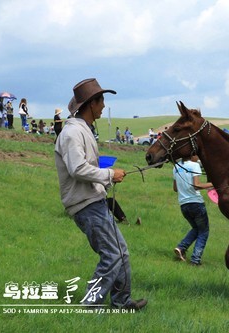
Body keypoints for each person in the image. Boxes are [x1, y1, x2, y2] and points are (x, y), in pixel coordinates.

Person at [54, 78, 147, 310]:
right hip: (85, 205)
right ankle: (90, 304)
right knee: (112, 255)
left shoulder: (83, 130)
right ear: (90, 104)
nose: (104, 106)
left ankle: (121, 302)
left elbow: (84, 166)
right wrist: (109, 175)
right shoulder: (71, 133)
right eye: (101, 100)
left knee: (121, 253)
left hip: (94, 201)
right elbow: (77, 169)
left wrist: (106, 176)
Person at [173, 155, 213, 266]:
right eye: (197, 154)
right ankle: (195, 260)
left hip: (183, 205)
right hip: (196, 204)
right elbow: (197, 186)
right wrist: (214, 184)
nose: (198, 157)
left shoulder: (176, 166)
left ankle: (181, 248)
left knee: (196, 228)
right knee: (204, 231)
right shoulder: (194, 165)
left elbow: (175, 188)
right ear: (192, 155)